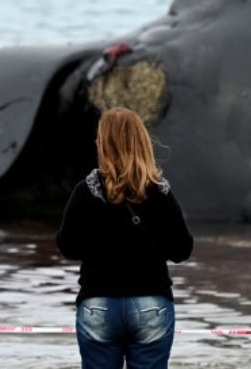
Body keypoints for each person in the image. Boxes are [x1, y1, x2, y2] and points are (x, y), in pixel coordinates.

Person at [57, 107, 194, 369]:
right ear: (142, 141)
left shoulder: (86, 190)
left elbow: (67, 246)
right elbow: (182, 250)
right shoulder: (159, 191)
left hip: (98, 303)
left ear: (103, 144)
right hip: (151, 303)